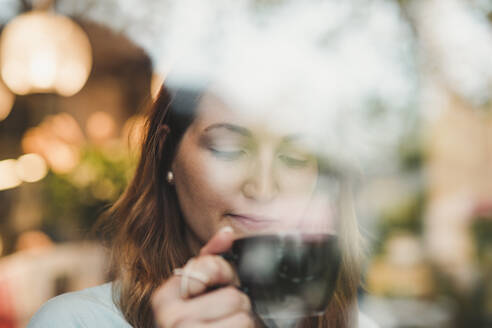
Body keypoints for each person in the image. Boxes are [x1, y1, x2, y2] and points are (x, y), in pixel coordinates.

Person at [28, 85, 374, 328]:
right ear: (166, 153)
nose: (265, 188)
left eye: (296, 156)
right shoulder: (74, 322)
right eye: (228, 148)